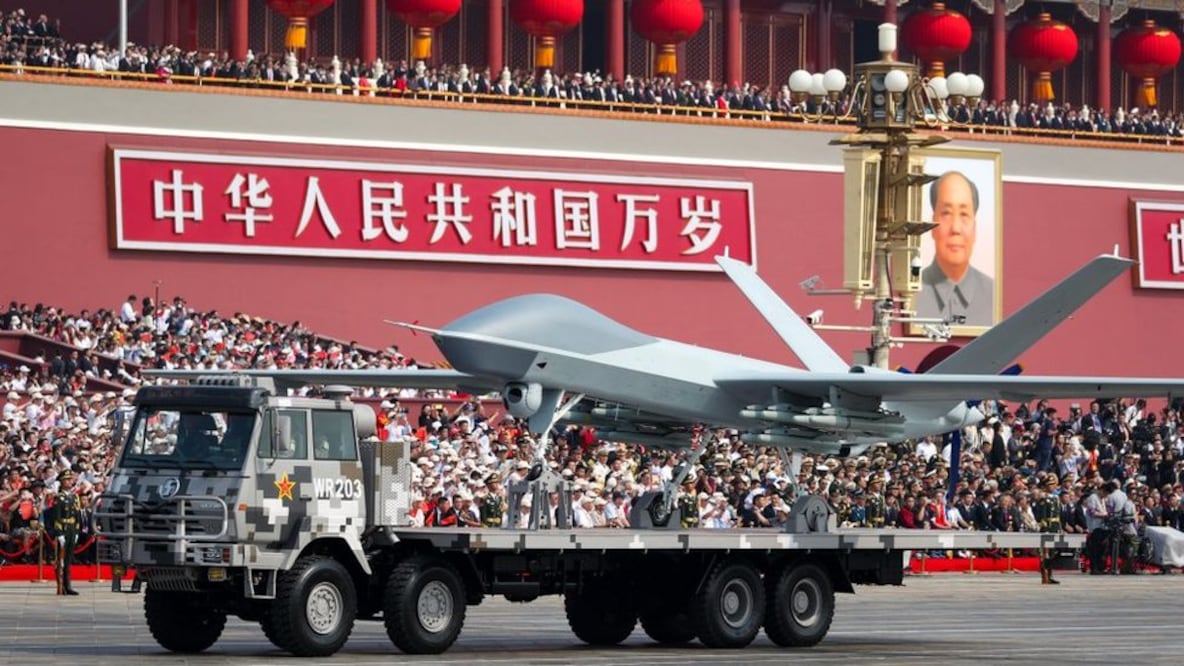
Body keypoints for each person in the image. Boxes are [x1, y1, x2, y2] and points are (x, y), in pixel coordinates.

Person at [917, 171, 995, 327]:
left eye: (964, 214)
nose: (956, 228)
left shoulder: (993, 294)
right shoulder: (913, 293)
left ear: (975, 227)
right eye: (946, 213)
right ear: (932, 225)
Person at [45, 469, 82, 595]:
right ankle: (61, 585)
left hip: (72, 529)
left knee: (68, 559)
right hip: (63, 528)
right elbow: (57, 517)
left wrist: (77, 531)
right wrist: (59, 533)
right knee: (60, 559)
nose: (70, 482)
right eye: (67, 480)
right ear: (61, 482)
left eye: (71, 479)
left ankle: (68, 585)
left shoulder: (74, 497)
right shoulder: (58, 498)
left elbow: (77, 515)